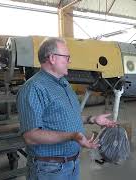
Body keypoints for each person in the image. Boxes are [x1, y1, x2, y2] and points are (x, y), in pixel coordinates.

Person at [17, 37, 117, 180]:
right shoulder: (33, 88)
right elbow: (31, 137)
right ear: (52, 58)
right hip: (49, 169)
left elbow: (65, 117)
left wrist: (92, 119)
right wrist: (72, 136)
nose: (69, 61)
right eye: (66, 57)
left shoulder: (63, 83)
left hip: (72, 164)